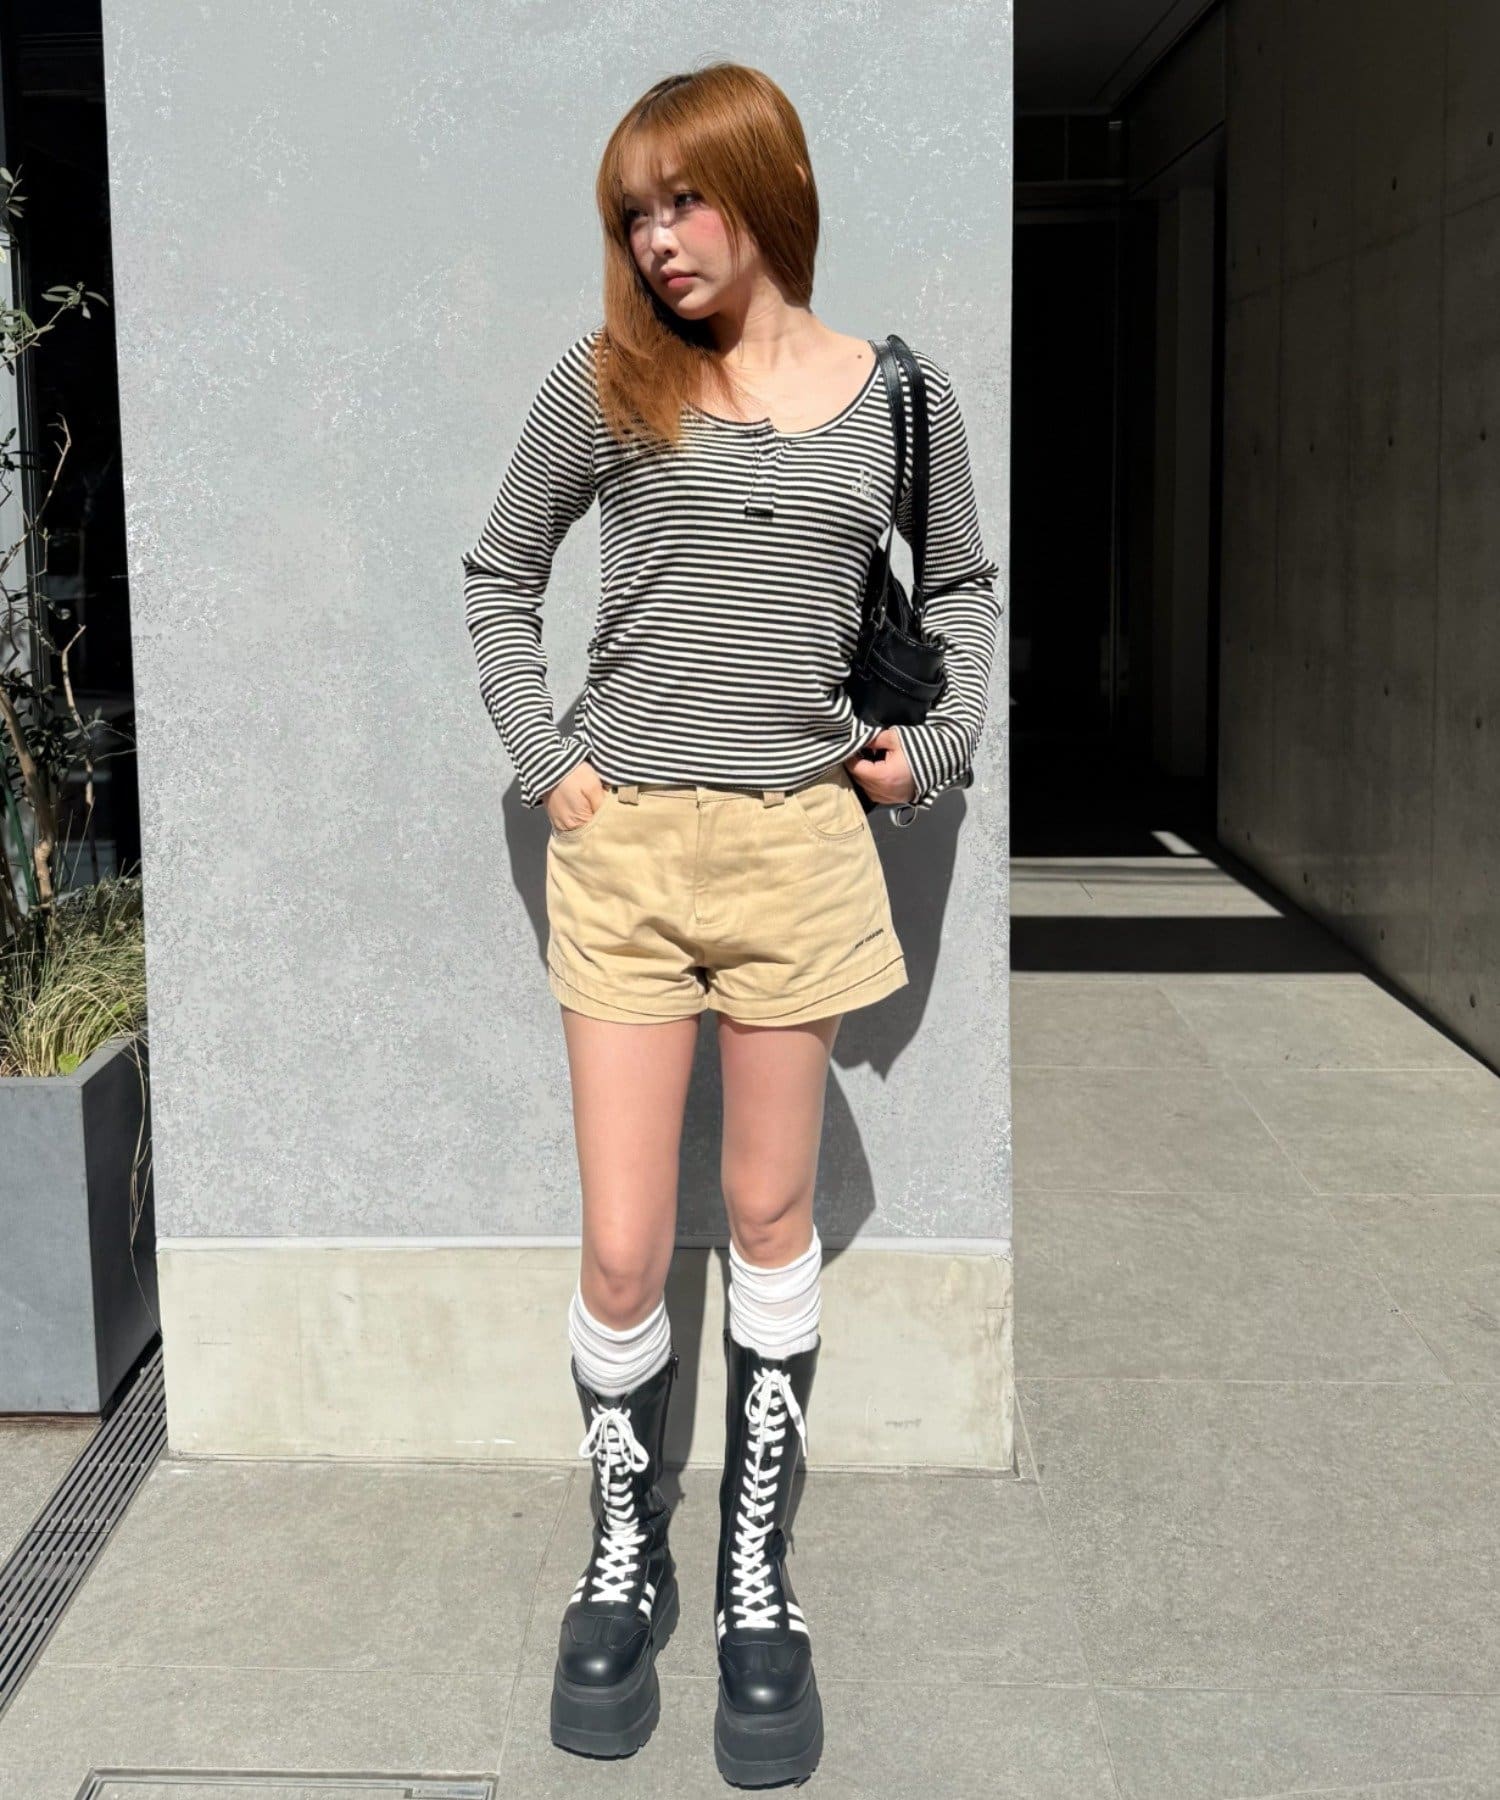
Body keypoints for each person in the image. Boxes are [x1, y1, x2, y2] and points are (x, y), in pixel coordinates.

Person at [460, 61, 1000, 1789]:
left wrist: (936, 747)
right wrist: (551, 764)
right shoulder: (607, 381)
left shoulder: (897, 398)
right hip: (626, 855)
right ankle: (624, 1558)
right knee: (627, 1247)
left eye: (684, 199)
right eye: (634, 213)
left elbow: (965, 588)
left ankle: (759, 1574)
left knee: (770, 1217)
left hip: (801, 854)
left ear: (765, 187)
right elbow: (499, 574)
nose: (658, 239)